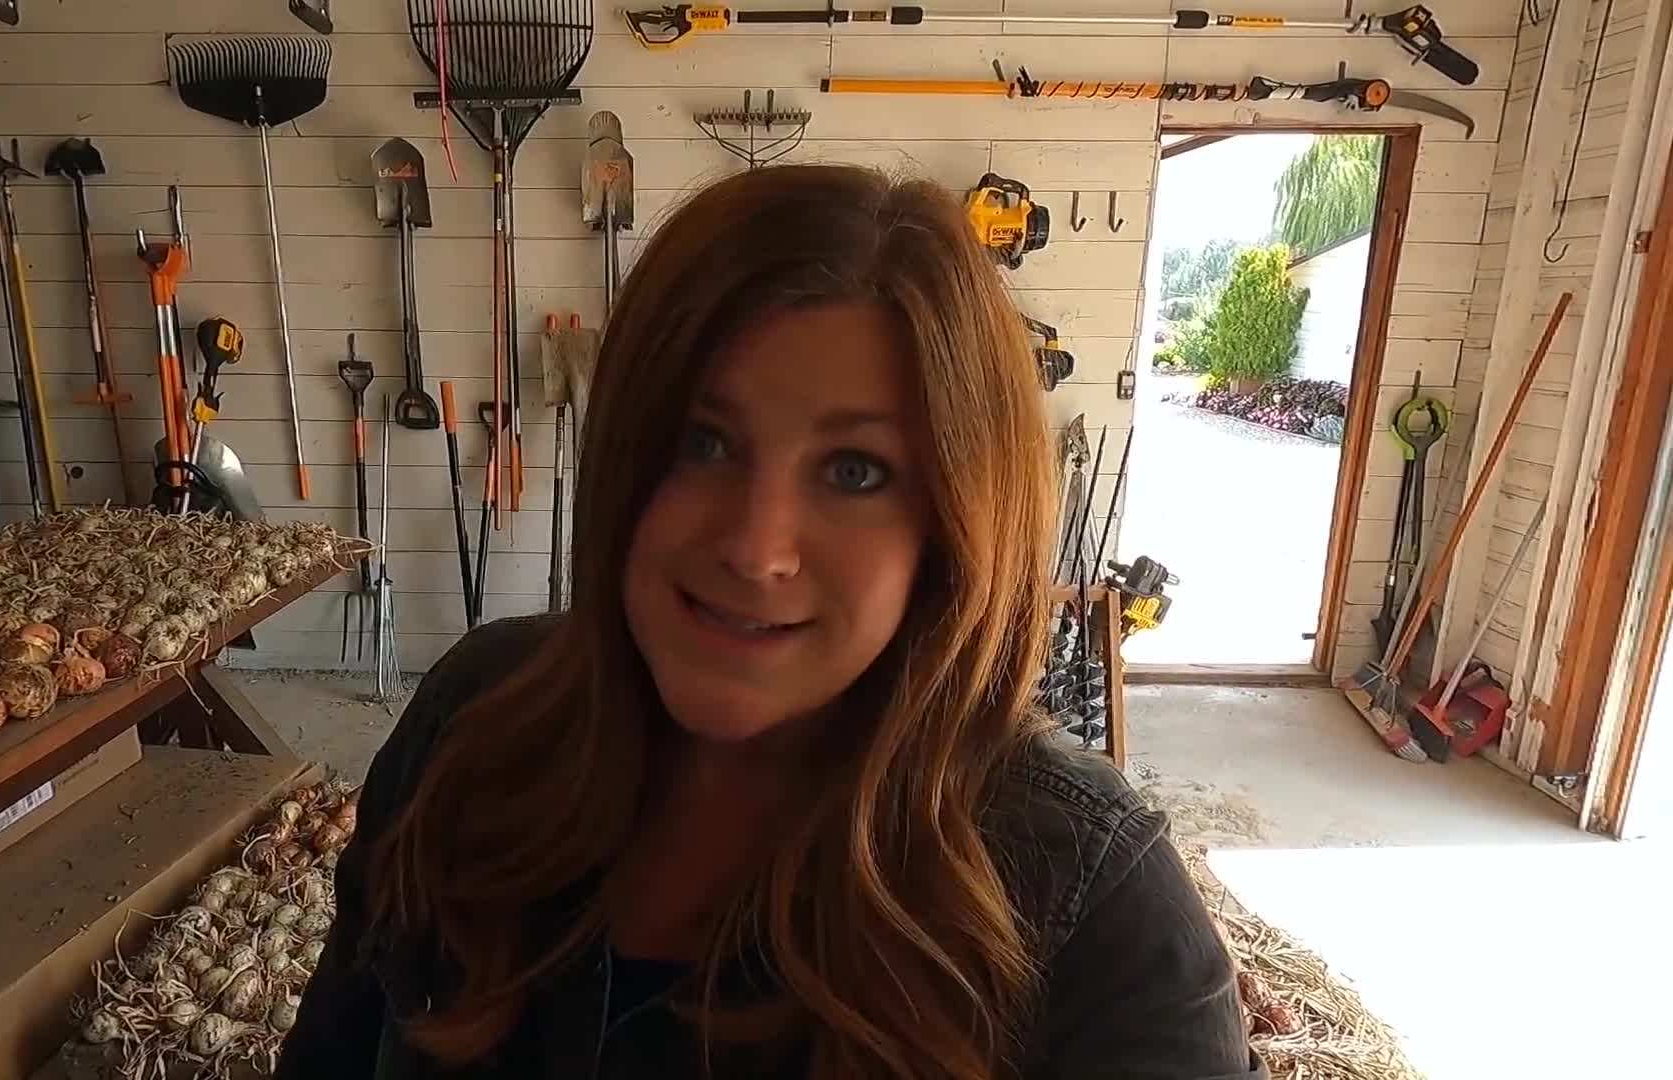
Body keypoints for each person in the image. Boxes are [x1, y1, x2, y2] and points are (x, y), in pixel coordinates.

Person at [278, 165, 1263, 1079]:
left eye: (854, 472)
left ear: (951, 526)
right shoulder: (477, 721)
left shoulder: (1093, 906)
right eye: (705, 443)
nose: (756, 548)